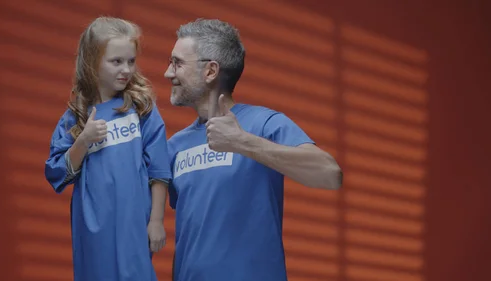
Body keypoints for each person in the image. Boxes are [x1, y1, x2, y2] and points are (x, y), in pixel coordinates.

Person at [163, 18, 343, 281]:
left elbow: (329, 174)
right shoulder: (174, 146)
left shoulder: (264, 123)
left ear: (210, 71)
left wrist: (242, 143)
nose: (168, 73)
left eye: (177, 63)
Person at [44, 17, 171, 281]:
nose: (126, 69)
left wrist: (156, 220)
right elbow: (56, 172)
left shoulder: (141, 109)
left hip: (135, 221)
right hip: (93, 226)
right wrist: (83, 141)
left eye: (131, 61)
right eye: (116, 61)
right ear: (93, 62)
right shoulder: (76, 117)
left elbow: (159, 168)